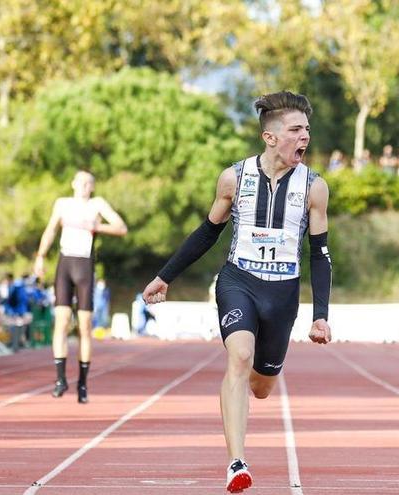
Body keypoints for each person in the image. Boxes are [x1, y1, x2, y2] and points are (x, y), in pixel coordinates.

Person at [141, 91, 333, 494]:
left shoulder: (315, 187)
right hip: (238, 281)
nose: (304, 138)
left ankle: (252, 384)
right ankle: (236, 462)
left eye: (307, 131)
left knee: (262, 386)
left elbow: (320, 254)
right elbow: (207, 233)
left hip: (282, 292)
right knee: (239, 357)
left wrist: (321, 314)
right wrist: (165, 276)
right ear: (269, 136)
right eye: (296, 130)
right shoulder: (234, 178)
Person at [34, 170, 128, 404]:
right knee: (62, 321)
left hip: (85, 265)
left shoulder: (97, 204)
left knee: (85, 326)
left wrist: (96, 226)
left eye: (89, 183)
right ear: (73, 183)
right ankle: (60, 379)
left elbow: (121, 227)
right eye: (81, 182)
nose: (84, 186)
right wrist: (40, 256)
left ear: (93, 187)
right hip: (65, 263)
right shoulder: (62, 204)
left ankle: (83, 382)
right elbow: (50, 230)